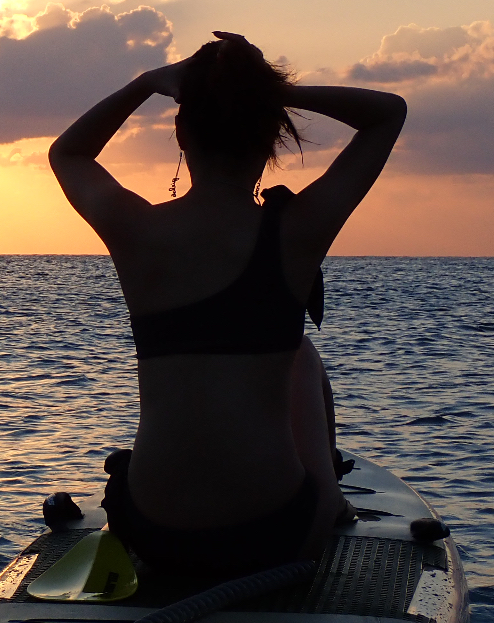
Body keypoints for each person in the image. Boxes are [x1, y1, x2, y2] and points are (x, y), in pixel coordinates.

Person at [48, 32, 406, 576]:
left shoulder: (137, 230)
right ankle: (331, 501)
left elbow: (67, 153)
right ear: (270, 136)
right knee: (301, 354)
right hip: (272, 533)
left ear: (181, 133)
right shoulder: (298, 230)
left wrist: (145, 84)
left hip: (153, 532)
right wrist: (270, 91)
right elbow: (387, 113)